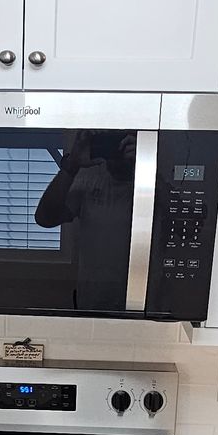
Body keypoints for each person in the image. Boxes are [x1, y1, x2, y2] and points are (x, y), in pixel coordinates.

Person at [34, 130, 136, 310]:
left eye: (120, 142)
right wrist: (71, 166)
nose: (114, 149)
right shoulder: (89, 177)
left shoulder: (155, 179)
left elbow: (190, 226)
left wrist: (147, 164)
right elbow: (45, 218)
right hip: (91, 304)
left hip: (142, 304)